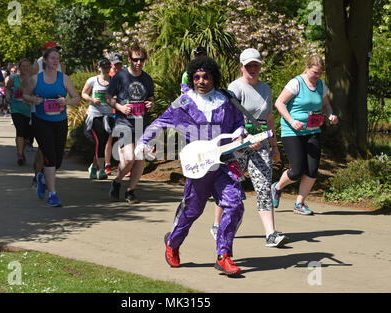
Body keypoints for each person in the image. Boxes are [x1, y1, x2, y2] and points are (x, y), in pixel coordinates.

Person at [135, 56, 259, 275]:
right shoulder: (184, 103)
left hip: (225, 165)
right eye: (196, 77)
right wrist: (144, 143)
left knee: (235, 204)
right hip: (199, 167)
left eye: (205, 77)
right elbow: (160, 123)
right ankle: (173, 243)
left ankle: (224, 255)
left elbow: (240, 125)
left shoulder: (228, 100)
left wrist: (246, 137)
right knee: (191, 211)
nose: (201, 81)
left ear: (214, 77)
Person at [210, 48, 288, 247]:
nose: (253, 69)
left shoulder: (266, 89)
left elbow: (268, 118)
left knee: (263, 186)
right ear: (241, 67)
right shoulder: (235, 88)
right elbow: (230, 118)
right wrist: (245, 137)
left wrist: (274, 146)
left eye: (256, 65)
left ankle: (270, 234)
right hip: (238, 144)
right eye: (249, 65)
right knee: (230, 185)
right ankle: (218, 225)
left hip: (261, 142)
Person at [272, 55, 338, 215]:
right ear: (307, 69)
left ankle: (299, 204)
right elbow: (279, 103)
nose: (317, 76)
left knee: (312, 169)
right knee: (296, 171)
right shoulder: (296, 83)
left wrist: (331, 115)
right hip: (292, 132)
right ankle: (277, 187)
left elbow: (326, 104)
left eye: (320, 73)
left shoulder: (321, 85)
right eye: (314, 72)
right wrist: (292, 120)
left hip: (313, 131)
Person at [22, 48, 80, 207]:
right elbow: (24, 94)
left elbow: (76, 98)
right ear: (45, 61)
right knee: (49, 157)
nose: (56, 61)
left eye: (58, 58)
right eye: (53, 58)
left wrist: (66, 102)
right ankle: (53, 194)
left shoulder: (64, 78)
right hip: (41, 121)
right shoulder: (36, 79)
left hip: (60, 121)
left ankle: (41, 177)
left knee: (58, 161)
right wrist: (33, 99)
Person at [105, 43, 155, 204]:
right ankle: (117, 180)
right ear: (129, 59)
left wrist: (150, 104)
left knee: (139, 158)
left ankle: (130, 191)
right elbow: (108, 97)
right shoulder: (120, 77)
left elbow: (151, 97)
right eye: (135, 59)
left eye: (141, 59)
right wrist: (119, 106)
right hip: (123, 123)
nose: (138, 63)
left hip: (142, 124)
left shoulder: (147, 78)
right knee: (128, 158)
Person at [81, 58, 113, 180]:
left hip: (108, 116)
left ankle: (93, 167)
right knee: (100, 140)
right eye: (103, 66)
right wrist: (92, 100)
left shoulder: (114, 81)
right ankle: (101, 170)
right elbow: (84, 93)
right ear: (99, 68)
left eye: (108, 66)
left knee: (103, 142)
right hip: (95, 115)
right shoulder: (92, 80)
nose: (106, 69)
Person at [5, 58, 32, 165]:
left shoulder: (33, 79)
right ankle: (20, 155)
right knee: (20, 130)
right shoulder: (13, 78)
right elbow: (7, 88)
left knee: (26, 136)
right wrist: (7, 95)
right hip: (16, 108)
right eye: (23, 66)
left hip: (29, 110)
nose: (25, 68)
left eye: (27, 66)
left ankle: (21, 150)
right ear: (19, 68)